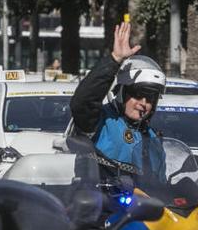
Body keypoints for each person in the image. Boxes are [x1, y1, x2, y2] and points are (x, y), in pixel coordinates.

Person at [70, 22, 166, 177]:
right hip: (99, 198)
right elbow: (82, 102)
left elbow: (161, 185)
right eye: (137, 94)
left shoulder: (153, 139)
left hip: (142, 201)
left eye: (150, 99)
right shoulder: (101, 122)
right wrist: (115, 59)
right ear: (121, 92)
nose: (143, 103)